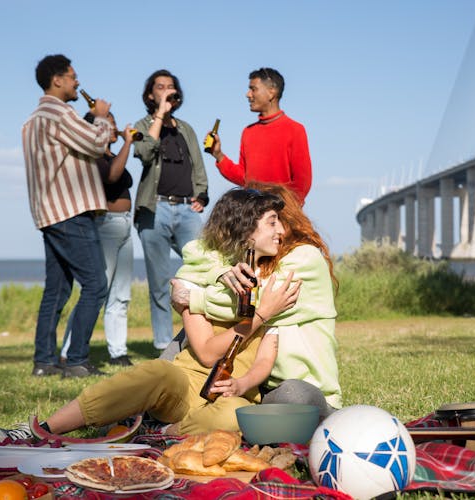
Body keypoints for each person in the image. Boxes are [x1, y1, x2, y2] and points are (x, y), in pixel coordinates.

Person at [0, 188, 299, 440]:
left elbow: (264, 357)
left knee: (234, 416)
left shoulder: (277, 283)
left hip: (232, 393)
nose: (281, 231)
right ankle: (43, 431)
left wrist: (244, 384)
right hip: (185, 383)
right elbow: (206, 353)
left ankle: (161, 434)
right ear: (246, 231)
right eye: (272, 222)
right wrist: (260, 316)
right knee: (155, 372)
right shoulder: (195, 276)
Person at [168, 182, 341, 418]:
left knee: (294, 395)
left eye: (277, 220)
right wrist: (216, 273)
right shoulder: (256, 260)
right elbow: (198, 251)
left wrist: (191, 297)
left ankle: (184, 417)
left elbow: (249, 304)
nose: (277, 229)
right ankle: (153, 405)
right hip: (260, 387)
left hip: (303, 390)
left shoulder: (305, 259)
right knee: (182, 341)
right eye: (272, 222)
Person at [22, 54, 114, 378]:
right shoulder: (60, 112)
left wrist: (89, 119)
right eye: (73, 77)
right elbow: (96, 143)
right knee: (96, 285)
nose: (78, 82)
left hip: (48, 213)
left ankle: (43, 362)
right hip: (71, 211)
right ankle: (76, 360)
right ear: (57, 80)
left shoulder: (33, 120)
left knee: (57, 291)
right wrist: (101, 117)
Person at [132, 69, 210, 353]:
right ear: (150, 94)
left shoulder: (185, 128)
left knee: (202, 268)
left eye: (171, 87)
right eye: (160, 87)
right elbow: (143, 152)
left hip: (187, 208)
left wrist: (202, 193)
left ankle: (200, 335)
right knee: (159, 279)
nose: (167, 91)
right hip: (155, 209)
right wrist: (159, 116)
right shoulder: (142, 124)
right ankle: (164, 343)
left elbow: (198, 165)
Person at [61, 111, 136, 367]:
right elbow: (113, 177)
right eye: (110, 123)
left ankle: (118, 351)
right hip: (104, 226)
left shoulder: (111, 155)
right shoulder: (91, 157)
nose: (114, 127)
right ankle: (68, 351)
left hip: (125, 225)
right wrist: (128, 142)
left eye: (114, 122)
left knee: (120, 295)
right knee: (96, 292)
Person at [207, 68, 312, 204]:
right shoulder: (248, 132)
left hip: (282, 216)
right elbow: (245, 179)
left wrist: (284, 212)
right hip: (253, 214)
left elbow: (302, 183)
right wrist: (218, 155)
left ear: (271, 92)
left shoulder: (295, 129)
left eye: (253, 89)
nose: (248, 94)